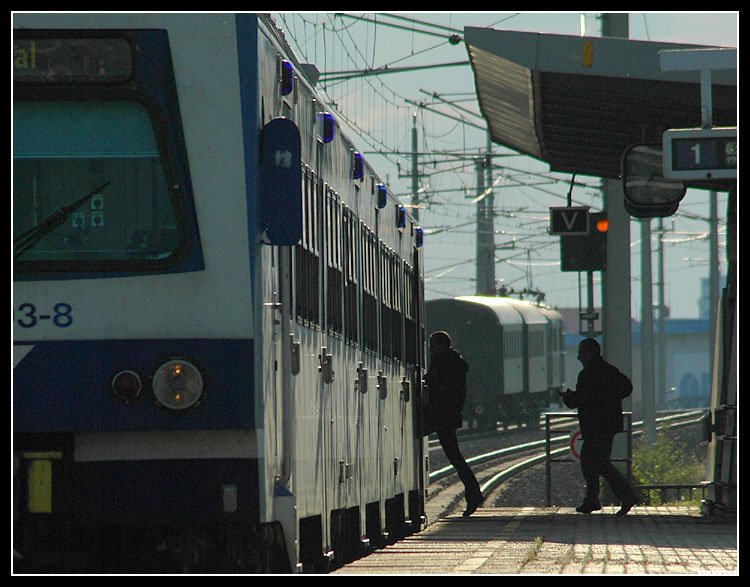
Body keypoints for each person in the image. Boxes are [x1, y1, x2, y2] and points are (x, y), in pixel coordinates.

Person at [559, 338, 640, 516]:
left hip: (595, 425)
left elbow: (582, 399)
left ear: (589, 353)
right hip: (608, 424)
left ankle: (623, 496)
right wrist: (610, 399)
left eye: (581, 353)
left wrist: (569, 398)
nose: (579, 357)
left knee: (595, 462)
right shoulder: (610, 371)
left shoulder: (587, 374)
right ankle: (595, 499)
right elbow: (626, 388)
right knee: (595, 462)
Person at [424, 331, 484, 517]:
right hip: (448, 414)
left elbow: (435, 383)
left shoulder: (442, 360)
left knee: (455, 456)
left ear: (439, 346)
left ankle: (473, 494)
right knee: (455, 456)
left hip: (442, 415)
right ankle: (473, 493)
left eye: (432, 344)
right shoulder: (454, 361)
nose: (430, 348)